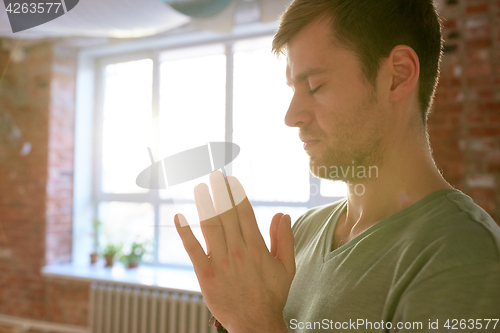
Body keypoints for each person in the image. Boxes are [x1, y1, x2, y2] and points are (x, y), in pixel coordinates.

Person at [175, 0, 500, 332]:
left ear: (397, 75)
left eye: (315, 86)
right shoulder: (301, 234)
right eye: (294, 89)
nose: (291, 117)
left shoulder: (463, 255)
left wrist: (255, 322)